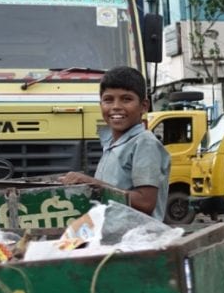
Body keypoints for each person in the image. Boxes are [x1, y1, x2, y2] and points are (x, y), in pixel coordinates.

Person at [59, 66, 170, 220]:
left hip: (137, 239)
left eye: (126, 99)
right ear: (101, 105)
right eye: (108, 100)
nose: (116, 106)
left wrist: (93, 183)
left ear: (144, 106)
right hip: (112, 235)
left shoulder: (145, 143)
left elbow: (145, 202)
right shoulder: (112, 143)